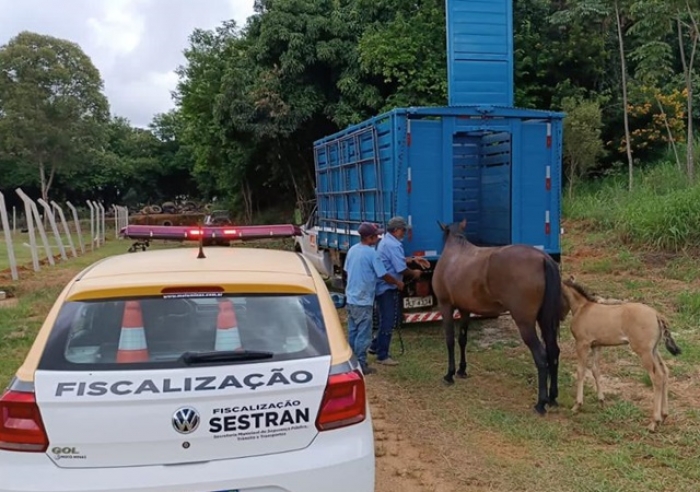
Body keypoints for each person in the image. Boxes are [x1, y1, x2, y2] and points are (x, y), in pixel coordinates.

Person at [344, 222, 405, 375]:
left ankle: (351, 360)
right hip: (363, 299)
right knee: (363, 334)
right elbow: (383, 274)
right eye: (376, 235)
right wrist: (397, 282)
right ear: (369, 237)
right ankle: (361, 364)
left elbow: (346, 270)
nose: (378, 238)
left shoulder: (352, 250)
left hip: (351, 298)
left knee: (353, 331)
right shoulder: (372, 253)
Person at [370, 216, 430, 366]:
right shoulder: (394, 245)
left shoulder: (386, 241)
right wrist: (415, 273)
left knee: (385, 318)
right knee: (388, 321)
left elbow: (395, 260)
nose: (404, 233)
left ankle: (375, 346)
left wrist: (412, 259)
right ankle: (382, 356)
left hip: (381, 286)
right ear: (396, 230)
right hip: (387, 288)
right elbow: (400, 269)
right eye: (403, 230)